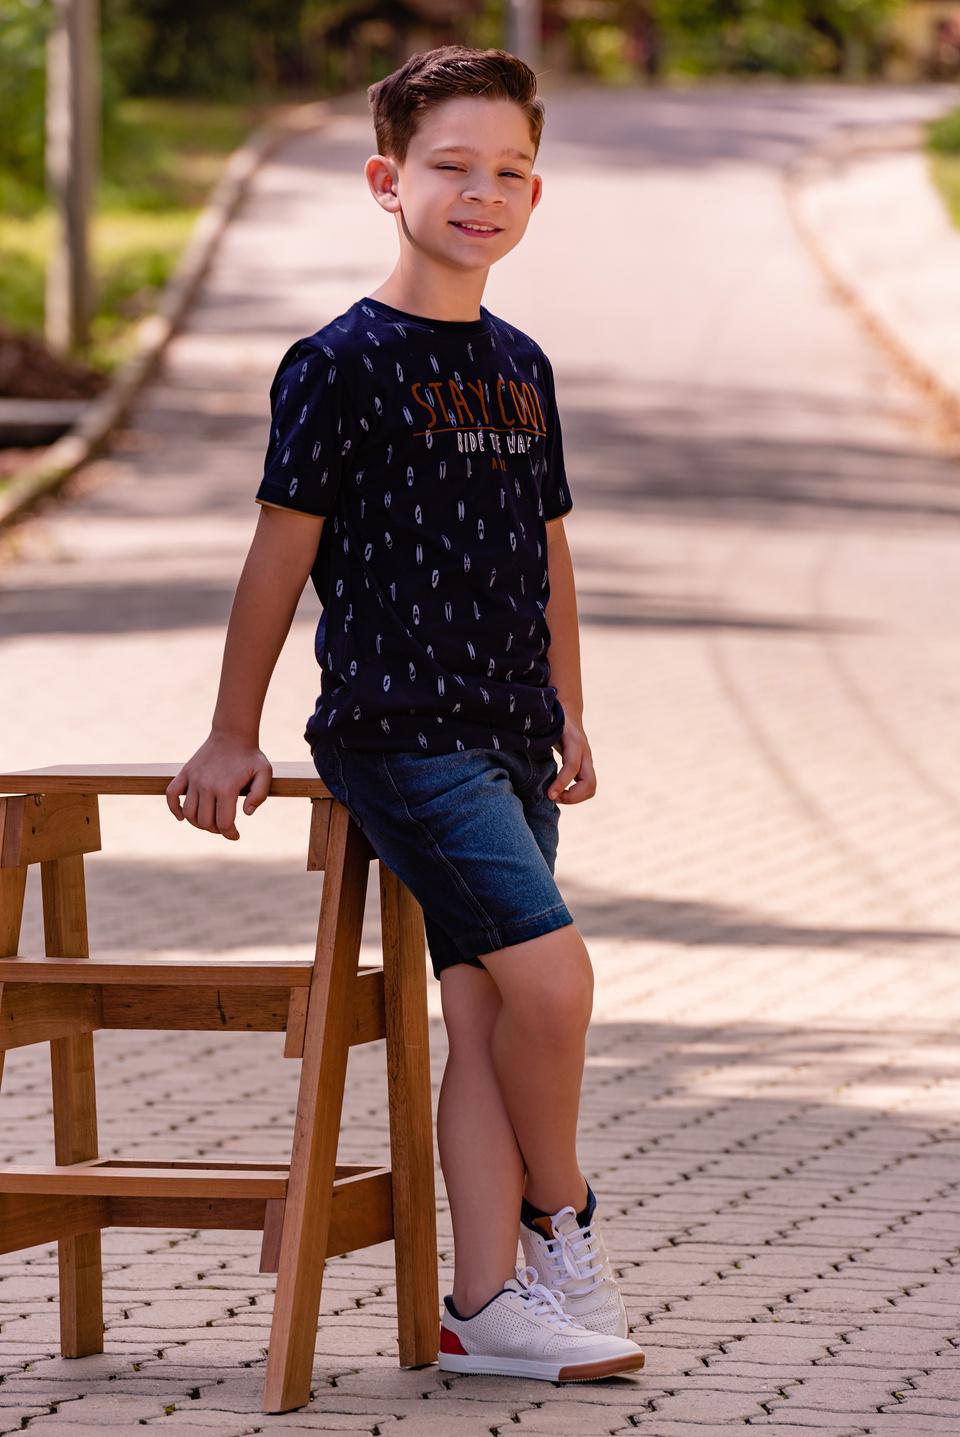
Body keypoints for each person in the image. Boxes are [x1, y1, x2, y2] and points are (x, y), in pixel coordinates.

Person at [166, 43, 645, 1385]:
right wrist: (232, 728)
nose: (482, 193)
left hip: (510, 731)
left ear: (535, 194)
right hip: (401, 735)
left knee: (487, 1012)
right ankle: (563, 1216)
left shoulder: (522, 366)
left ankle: (483, 1305)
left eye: (510, 172)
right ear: (388, 182)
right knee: (555, 979)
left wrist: (570, 707)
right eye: (453, 167)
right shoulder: (338, 363)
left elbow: (548, 551)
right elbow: (277, 554)